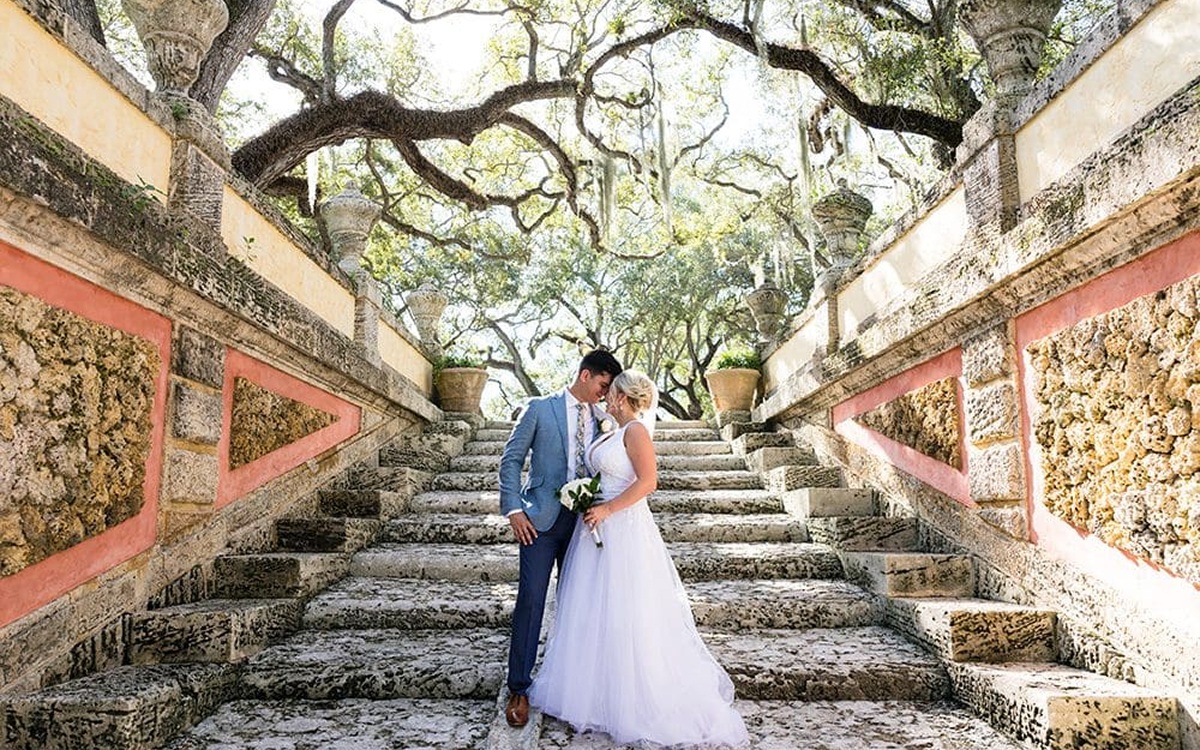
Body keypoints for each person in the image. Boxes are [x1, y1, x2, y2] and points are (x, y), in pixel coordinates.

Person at [529, 370, 750, 747]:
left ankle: (633, 698)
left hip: (623, 528)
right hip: (596, 529)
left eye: (610, 392)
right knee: (594, 609)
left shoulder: (635, 432)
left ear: (621, 396)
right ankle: (594, 689)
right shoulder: (611, 431)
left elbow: (648, 482)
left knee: (627, 609)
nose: (605, 397)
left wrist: (608, 509)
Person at [499, 349, 624, 728]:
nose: (605, 394)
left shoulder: (605, 420)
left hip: (584, 527)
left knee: (580, 607)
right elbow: (510, 459)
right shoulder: (539, 408)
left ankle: (572, 688)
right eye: (603, 385)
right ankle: (518, 687)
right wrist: (514, 509)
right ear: (586, 375)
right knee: (532, 600)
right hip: (539, 522)